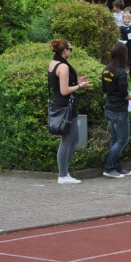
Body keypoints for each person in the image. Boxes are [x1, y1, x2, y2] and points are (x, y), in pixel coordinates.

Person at [48, 39, 93, 184]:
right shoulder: (63, 66)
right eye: (70, 49)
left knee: (74, 139)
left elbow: (63, 85)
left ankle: (65, 172)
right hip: (66, 106)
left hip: (64, 105)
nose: (71, 52)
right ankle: (62, 175)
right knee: (67, 141)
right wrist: (80, 87)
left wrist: (77, 82)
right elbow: (64, 90)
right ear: (65, 50)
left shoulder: (53, 63)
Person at [101, 43, 131, 179]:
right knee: (122, 140)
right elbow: (124, 94)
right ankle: (109, 168)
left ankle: (117, 168)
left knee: (115, 140)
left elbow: (105, 89)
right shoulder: (121, 72)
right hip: (119, 110)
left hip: (109, 108)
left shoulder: (106, 69)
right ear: (123, 55)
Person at [119, 12, 131, 81]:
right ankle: (123, 76)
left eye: (128, 19)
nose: (127, 20)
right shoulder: (121, 28)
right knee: (124, 61)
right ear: (123, 19)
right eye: (126, 19)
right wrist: (123, 42)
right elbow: (118, 38)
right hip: (124, 47)